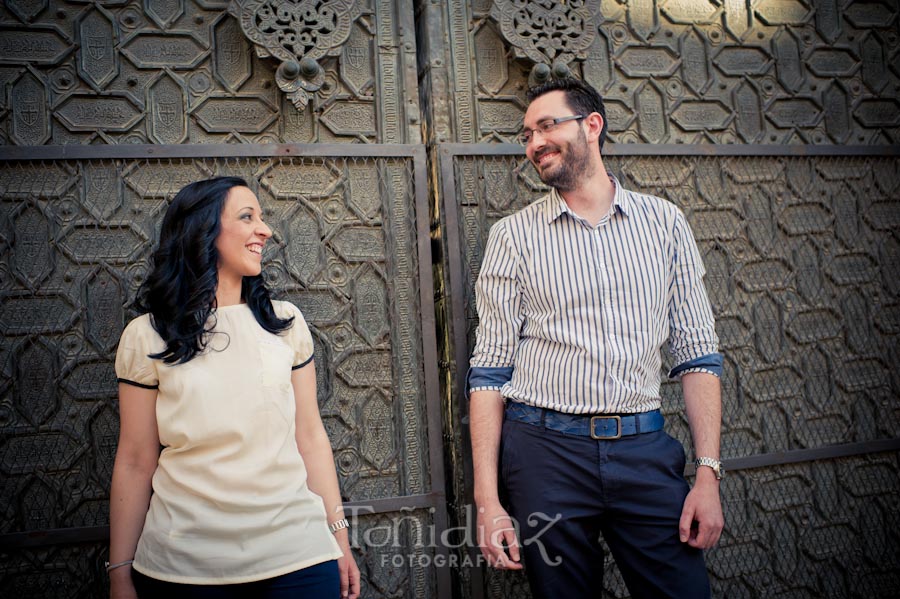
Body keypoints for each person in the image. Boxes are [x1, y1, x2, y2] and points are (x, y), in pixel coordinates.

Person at [468, 77, 725, 598]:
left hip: (644, 450)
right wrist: (488, 502)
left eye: (546, 126)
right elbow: (490, 370)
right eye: (526, 134)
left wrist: (708, 475)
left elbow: (697, 354)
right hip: (544, 455)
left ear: (592, 125)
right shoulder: (512, 236)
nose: (534, 143)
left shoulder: (665, 223)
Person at [109, 177, 361, 599]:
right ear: (203, 232)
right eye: (248, 217)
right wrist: (120, 572)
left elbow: (311, 437)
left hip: (298, 559)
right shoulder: (147, 336)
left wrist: (338, 536)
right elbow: (135, 459)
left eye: (261, 218)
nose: (265, 229)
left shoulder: (285, 324)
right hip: (183, 567)